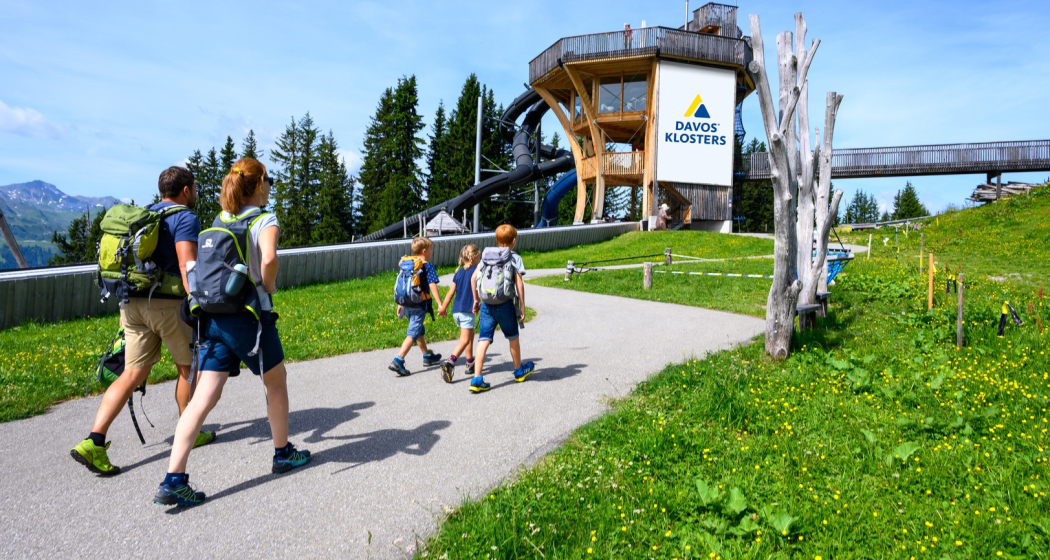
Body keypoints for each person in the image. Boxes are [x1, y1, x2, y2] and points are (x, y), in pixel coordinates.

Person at [153, 158, 310, 507]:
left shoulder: (218, 220)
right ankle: (283, 452)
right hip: (250, 318)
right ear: (258, 185)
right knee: (276, 382)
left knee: (203, 398)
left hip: (213, 318)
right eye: (268, 180)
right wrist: (266, 286)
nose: (270, 186)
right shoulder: (264, 218)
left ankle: (173, 478)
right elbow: (268, 260)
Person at [71, 166, 213, 477]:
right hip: (166, 305)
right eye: (195, 189)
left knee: (132, 372)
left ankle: (94, 440)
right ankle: (189, 430)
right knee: (188, 368)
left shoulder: (144, 215)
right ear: (186, 190)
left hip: (131, 303)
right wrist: (196, 301)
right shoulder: (184, 217)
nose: (196, 194)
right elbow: (187, 263)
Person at [468, 225, 534, 393]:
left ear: (497, 240)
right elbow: (519, 282)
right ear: (513, 241)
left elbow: (474, 278)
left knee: (483, 339)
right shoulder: (514, 257)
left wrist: (476, 300)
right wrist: (522, 305)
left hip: (487, 305)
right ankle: (519, 371)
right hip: (505, 304)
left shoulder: (486, 256)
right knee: (513, 337)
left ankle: (477, 379)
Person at [388, 237, 443, 376]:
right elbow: (432, 285)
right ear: (424, 251)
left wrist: (400, 303)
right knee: (413, 333)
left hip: (407, 303)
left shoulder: (408, 264)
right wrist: (440, 303)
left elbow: (404, 284)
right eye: (431, 249)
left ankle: (426, 355)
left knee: (418, 329)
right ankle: (398, 360)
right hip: (419, 305)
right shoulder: (427, 266)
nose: (432, 252)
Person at [437, 244, 481, 383]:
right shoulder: (477, 271)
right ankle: (450, 362)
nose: (480, 259)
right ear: (474, 257)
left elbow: (450, 293)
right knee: (464, 340)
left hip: (457, 310)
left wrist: (443, 307)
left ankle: (469, 362)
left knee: (469, 335)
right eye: (479, 257)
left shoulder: (459, 272)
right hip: (467, 310)